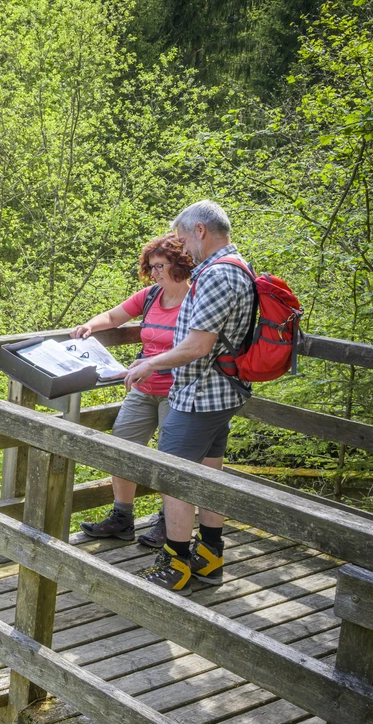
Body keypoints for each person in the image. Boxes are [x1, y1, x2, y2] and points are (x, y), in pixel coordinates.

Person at [123, 200, 257, 592]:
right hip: (221, 394)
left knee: (175, 479)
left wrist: (151, 364)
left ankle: (176, 563)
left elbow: (198, 345)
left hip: (199, 396)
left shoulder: (217, 274)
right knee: (209, 475)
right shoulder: (239, 267)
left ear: (200, 231)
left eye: (183, 237)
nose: (182, 247)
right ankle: (211, 556)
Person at [69, 235, 194, 545]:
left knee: (171, 461)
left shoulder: (197, 300)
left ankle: (169, 523)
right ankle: (122, 518)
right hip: (143, 387)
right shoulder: (151, 296)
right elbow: (114, 316)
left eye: (159, 266)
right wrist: (90, 326)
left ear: (180, 264)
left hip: (178, 392)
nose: (154, 273)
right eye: (150, 267)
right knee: (121, 448)